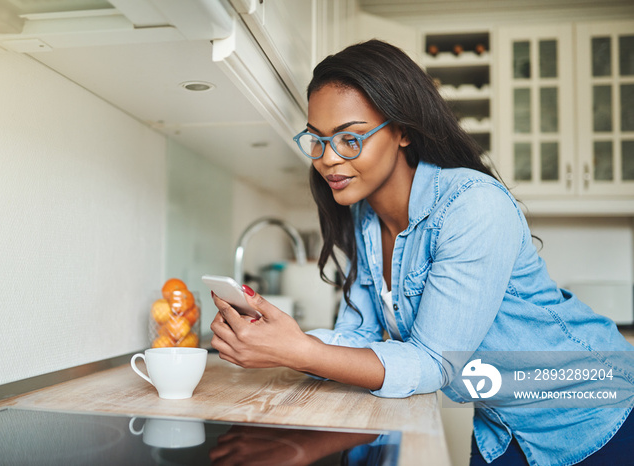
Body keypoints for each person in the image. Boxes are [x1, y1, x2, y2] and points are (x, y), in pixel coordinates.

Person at [209, 39, 634, 466]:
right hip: (500, 427)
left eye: (351, 139)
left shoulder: (472, 205)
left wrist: (296, 351)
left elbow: (436, 363)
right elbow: (359, 337)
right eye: (317, 140)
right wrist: (278, 337)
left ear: (403, 131)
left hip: (593, 413)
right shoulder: (365, 219)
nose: (329, 159)